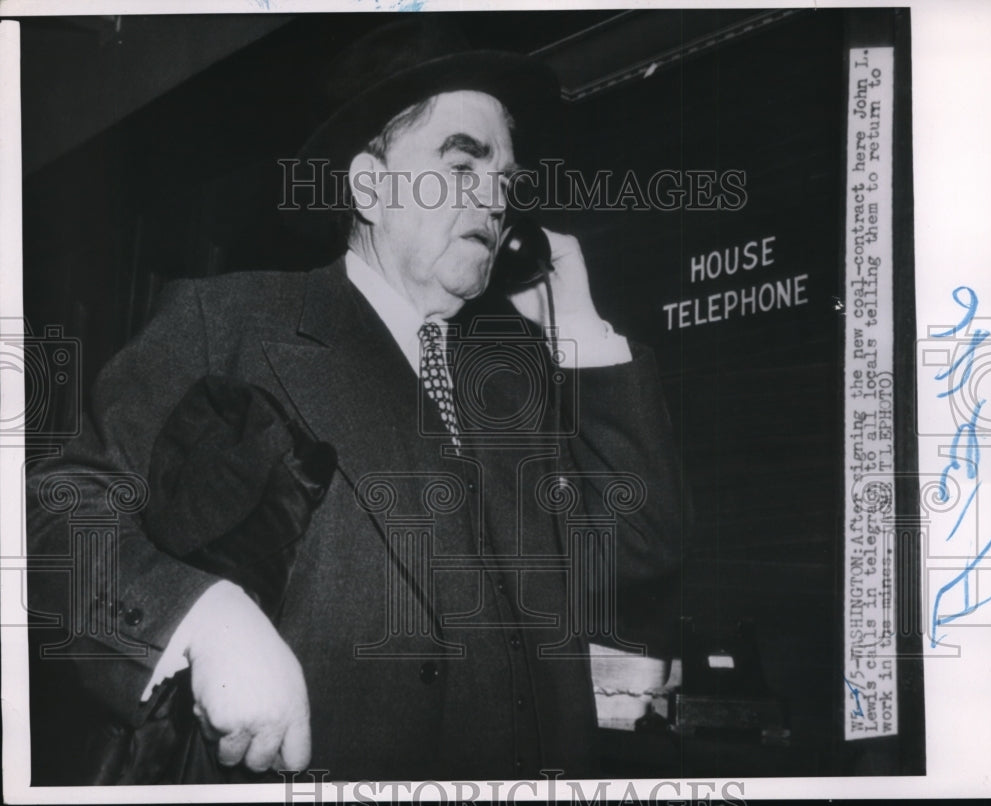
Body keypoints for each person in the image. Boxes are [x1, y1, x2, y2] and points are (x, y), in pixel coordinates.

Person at [27, 18, 686, 782]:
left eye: (506, 182)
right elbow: (52, 514)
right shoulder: (233, 322)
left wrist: (580, 328)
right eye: (463, 164)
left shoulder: (516, 382)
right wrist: (202, 619)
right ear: (369, 185)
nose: (498, 201)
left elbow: (641, 550)